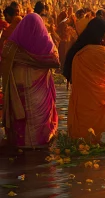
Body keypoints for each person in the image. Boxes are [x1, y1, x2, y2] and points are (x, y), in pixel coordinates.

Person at [1, 14, 60, 148]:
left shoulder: (11, 48)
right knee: (37, 120)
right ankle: (39, 142)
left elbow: (3, 64)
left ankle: (21, 143)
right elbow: (56, 60)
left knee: (22, 116)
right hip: (39, 95)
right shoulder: (45, 45)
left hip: (18, 92)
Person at [63, 17, 105, 143]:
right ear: (100, 35)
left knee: (83, 141)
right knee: (101, 139)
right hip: (98, 105)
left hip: (83, 104)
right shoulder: (101, 52)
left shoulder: (80, 52)